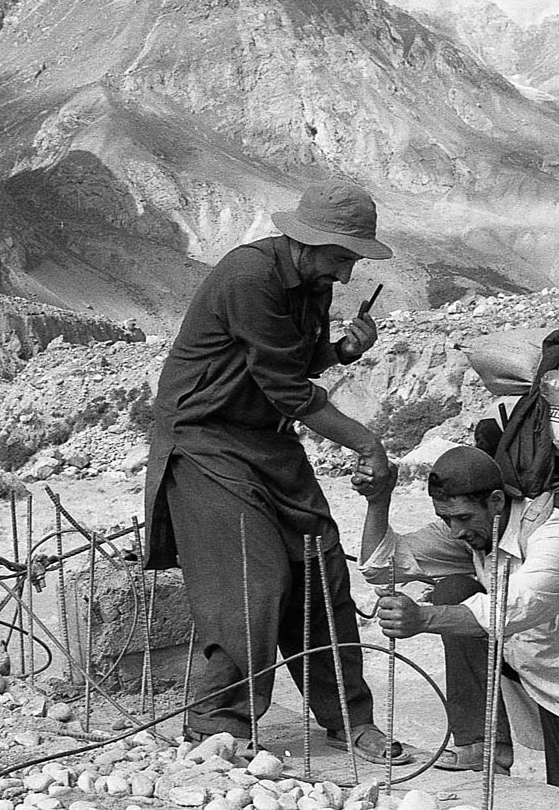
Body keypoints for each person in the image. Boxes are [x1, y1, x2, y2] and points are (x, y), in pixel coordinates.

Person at [143, 181, 409, 764]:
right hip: (204, 440)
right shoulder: (250, 276)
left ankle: (349, 718)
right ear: (308, 241)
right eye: (341, 259)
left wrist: (342, 350)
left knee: (321, 561)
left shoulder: (310, 282)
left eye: (352, 263)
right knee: (252, 578)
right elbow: (288, 388)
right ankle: (219, 724)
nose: (345, 277)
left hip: (266, 441)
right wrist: (368, 442)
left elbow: (289, 359)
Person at [361, 446, 559, 795]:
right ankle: (479, 747)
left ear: (495, 501)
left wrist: (424, 617)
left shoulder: (557, 538)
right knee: (455, 589)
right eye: (446, 519)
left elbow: (515, 607)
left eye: (461, 518)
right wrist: (377, 501)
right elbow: (380, 566)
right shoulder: (473, 530)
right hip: (519, 668)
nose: (455, 531)